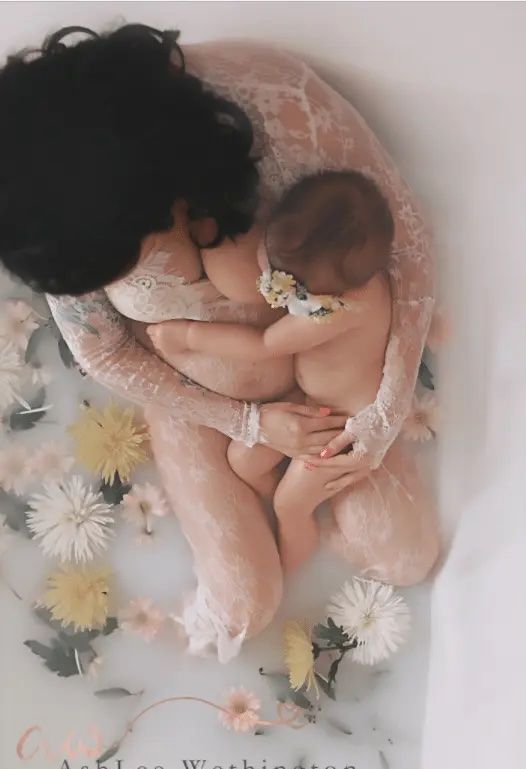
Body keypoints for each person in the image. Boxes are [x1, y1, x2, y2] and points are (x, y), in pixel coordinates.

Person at [0, 25, 439, 661]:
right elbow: (101, 351)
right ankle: (271, 508)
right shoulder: (48, 210)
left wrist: (385, 406)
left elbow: (406, 244)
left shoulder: (274, 104)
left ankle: (291, 510)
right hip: (198, 391)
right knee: (243, 605)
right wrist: (249, 423)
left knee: (403, 556)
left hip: (328, 371)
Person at [148, 169, 400, 574]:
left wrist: (188, 335)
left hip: (341, 430)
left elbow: (264, 345)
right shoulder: (348, 276)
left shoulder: (336, 311)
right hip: (315, 406)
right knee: (242, 461)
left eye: (295, 290)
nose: (271, 282)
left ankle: (291, 563)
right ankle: (283, 506)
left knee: (290, 505)